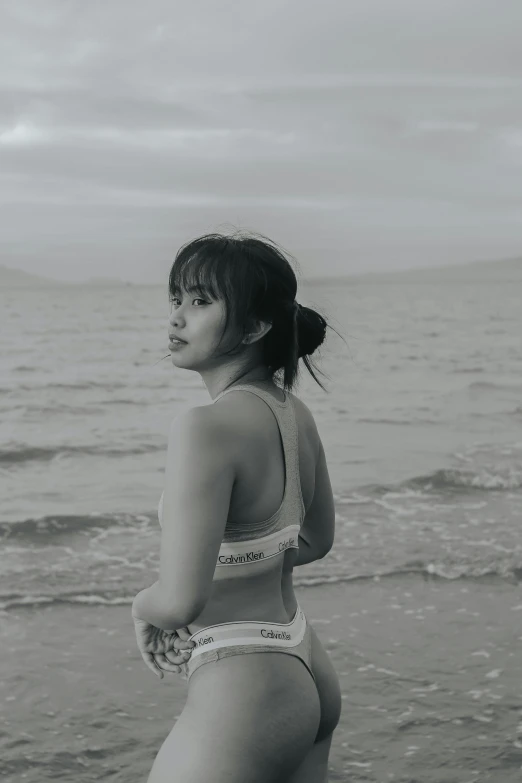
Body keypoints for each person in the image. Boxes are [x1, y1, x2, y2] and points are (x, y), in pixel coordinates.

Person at [131, 230, 344, 782]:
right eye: (176, 298)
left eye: (201, 302)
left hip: (247, 685)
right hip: (303, 663)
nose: (177, 318)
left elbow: (178, 601)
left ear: (254, 326)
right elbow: (315, 541)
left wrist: (143, 608)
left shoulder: (205, 427)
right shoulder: (291, 411)